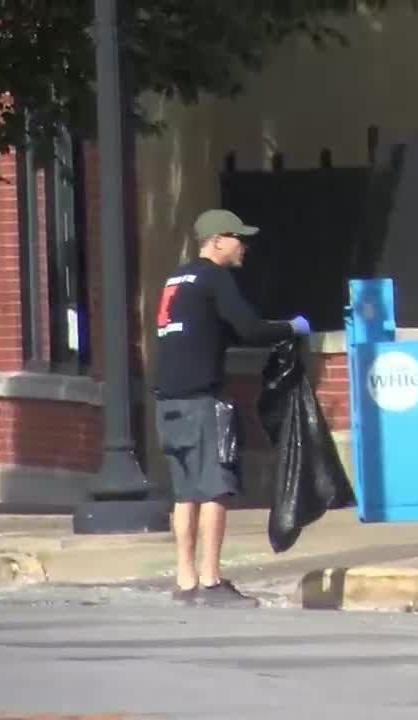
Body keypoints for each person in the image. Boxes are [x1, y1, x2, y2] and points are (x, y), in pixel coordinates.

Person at [153, 208, 310, 607]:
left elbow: (208, 330)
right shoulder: (213, 277)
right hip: (203, 401)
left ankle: (185, 580)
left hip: (168, 401)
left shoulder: (178, 279)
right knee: (215, 488)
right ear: (217, 240)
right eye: (238, 238)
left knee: (185, 492)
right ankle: (210, 580)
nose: (245, 246)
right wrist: (292, 327)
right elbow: (251, 329)